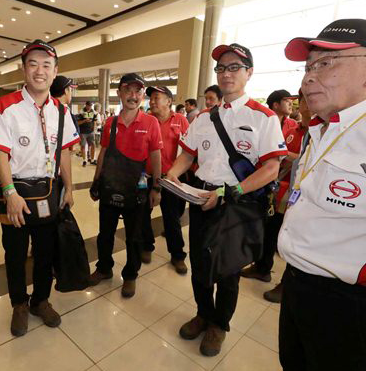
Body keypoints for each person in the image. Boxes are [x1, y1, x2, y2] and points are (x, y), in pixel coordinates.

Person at [278, 18, 366, 371]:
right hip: (297, 284)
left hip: (358, 305)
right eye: (309, 66)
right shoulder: (320, 129)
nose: (308, 77)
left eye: (325, 63)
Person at [166, 43, 285, 357]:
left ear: (249, 73)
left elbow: (272, 167)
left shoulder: (264, 117)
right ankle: (203, 313)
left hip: (235, 202)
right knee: (200, 263)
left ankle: (220, 324)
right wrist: (173, 175)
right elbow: (188, 154)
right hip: (200, 197)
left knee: (228, 269)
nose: (226, 73)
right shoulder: (205, 117)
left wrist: (228, 193)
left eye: (234, 67)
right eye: (221, 68)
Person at [0, 40, 79, 337]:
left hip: (49, 190)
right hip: (15, 189)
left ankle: (40, 300)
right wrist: (10, 193)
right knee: (14, 253)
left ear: (55, 72)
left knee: (45, 252)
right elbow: (0, 152)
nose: (40, 71)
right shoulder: (5, 107)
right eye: (33, 64)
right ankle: (19, 304)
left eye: (46, 65)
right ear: (24, 69)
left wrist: (70, 189)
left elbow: (64, 152)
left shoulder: (62, 111)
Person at [88, 73, 163, 298]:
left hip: (138, 187)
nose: (133, 96)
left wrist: (157, 187)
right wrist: (96, 180)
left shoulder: (151, 122)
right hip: (111, 184)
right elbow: (103, 152)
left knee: (134, 236)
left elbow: (156, 156)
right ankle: (104, 268)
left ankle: (130, 275)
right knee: (105, 234)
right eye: (128, 90)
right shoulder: (110, 122)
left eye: (138, 91)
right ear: (119, 93)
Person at [241, 89, 300, 293]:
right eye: (287, 100)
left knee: (283, 232)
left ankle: (281, 279)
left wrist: (280, 154)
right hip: (268, 185)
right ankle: (261, 265)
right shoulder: (264, 121)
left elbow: (298, 158)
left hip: (291, 190)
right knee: (266, 228)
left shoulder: (296, 127)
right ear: (274, 104)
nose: (293, 104)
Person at [140, 86, 189, 273]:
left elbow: (188, 149)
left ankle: (177, 255)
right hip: (147, 176)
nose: (152, 101)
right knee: (143, 213)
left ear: (169, 101)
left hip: (170, 177)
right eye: (151, 98)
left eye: (156, 98)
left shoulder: (181, 121)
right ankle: (146, 245)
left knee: (171, 218)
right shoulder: (146, 121)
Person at [77, 101, 96, 166]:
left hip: (91, 132)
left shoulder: (93, 112)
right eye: (88, 106)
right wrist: (85, 120)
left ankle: (92, 159)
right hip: (83, 132)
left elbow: (94, 121)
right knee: (83, 146)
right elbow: (78, 123)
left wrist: (94, 128)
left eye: (91, 106)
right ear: (86, 105)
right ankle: (84, 160)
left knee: (93, 145)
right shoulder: (81, 112)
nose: (89, 107)